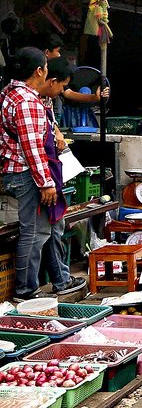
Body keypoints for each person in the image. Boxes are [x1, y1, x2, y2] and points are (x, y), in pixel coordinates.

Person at [0, 47, 86, 301]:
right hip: (27, 174)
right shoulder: (25, 101)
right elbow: (32, 148)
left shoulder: (16, 94)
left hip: (25, 173)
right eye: (46, 66)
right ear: (40, 71)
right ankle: (26, 291)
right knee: (34, 233)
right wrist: (46, 183)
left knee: (45, 229)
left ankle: (57, 280)